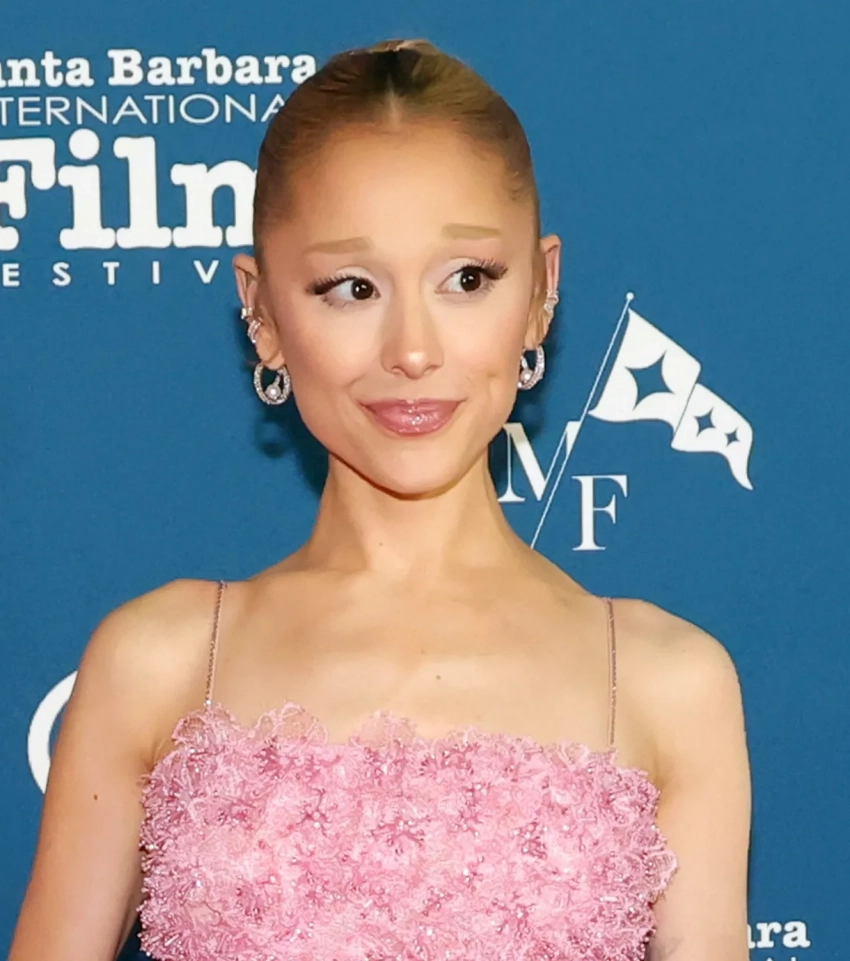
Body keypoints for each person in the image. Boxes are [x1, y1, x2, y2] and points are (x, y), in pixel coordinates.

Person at [9, 37, 751, 961]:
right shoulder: (158, 663)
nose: (412, 349)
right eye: (351, 287)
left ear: (541, 292)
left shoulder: (665, 682)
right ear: (262, 311)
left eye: (467, 279)